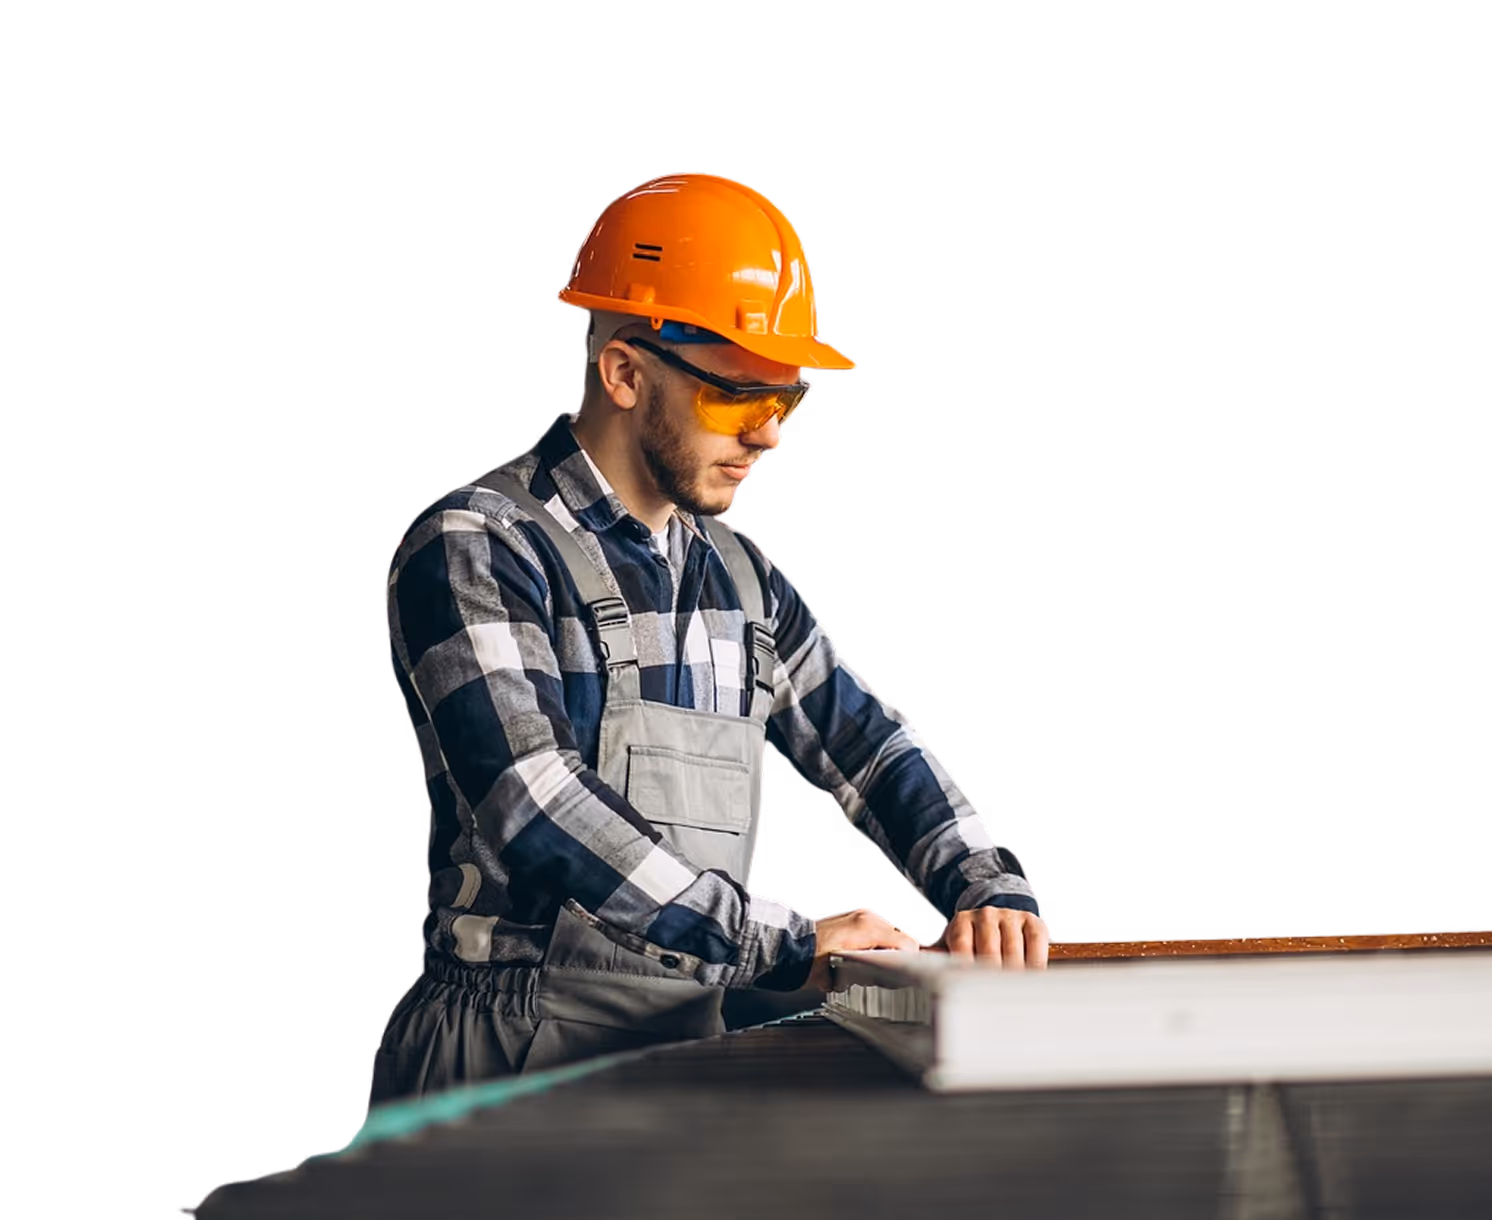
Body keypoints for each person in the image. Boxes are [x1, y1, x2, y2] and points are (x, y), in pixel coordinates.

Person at [371, 172, 1049, 1103]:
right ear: (624, 373)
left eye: (786, 400)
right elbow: (533, 802)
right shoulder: (479, 546)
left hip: (682, 1047)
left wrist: (985, 885)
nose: (769, 437)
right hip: (504, 1056)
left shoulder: (739, 578)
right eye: (738, 399)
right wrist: (783, 944)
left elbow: (866, 740)